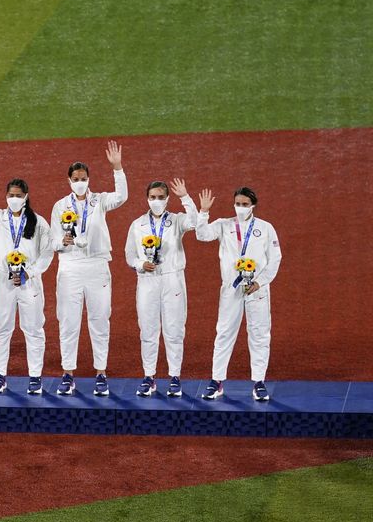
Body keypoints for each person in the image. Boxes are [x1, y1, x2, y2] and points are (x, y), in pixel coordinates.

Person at [50, 140, 128, 397]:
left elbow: (122, 197)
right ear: (69, 180)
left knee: (99, 319)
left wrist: (117, 168)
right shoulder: (60, 206)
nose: (80, 181)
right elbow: (52, 240)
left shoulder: (100, 201)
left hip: (97, 264)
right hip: (70, 265)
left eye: (83, 178)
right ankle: (68, 373)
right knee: (69, 321)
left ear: (89, 179)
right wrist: (63, 241)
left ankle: (101, 373)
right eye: (75, 178)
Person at [0, 175, 53, 394]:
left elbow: (47, 253)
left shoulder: (38, 222)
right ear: (6, 196)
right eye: (11, 195)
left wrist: (29, 272)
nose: (14, 199)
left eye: (18, 196)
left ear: (26, 197)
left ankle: (35, 377)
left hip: (29, 282)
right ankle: (0, 376)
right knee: (1, 328)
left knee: (33, 329)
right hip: (2, 280)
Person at [195, 186, 282, 401]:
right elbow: (202, 235)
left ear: (253, 205)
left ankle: (259, 382)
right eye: (237, 204)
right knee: (224, 332)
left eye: (244, 204)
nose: (240, 208)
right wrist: (204, 212)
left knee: (259, 334)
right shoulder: (225, 225)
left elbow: (275, 258)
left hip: (256, 289)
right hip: (231, 288)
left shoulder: (265, 228)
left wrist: (260, 282)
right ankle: (216, 381)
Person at [122, 178, 199, 398]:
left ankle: (175, 377)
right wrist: (140, 264)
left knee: (174, 330)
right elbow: (129, 254)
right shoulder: (138, 225)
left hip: (172, 278)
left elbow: (195, 222)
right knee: (148, 329)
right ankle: (149, 377)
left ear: (167, 199)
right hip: (147, 279)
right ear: (147, 198)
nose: (156, 201)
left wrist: (185, 197)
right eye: (153, 197)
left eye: (161, 197)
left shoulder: (176, 221)